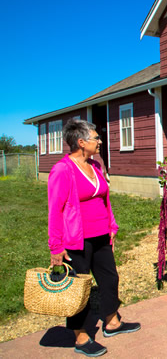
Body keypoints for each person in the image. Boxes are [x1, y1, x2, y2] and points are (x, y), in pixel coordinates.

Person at [48, 119, 140, 357]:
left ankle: (112, 322)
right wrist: (56, 246)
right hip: (77, 239)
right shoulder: (63, 170)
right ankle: (80, 336)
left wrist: (112, 226)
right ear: (81, 142)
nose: (100, 141)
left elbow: (104, 200)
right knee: (80, 287)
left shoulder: (96, 165)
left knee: (110, 279)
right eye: (96, 138)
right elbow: (55, 210)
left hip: (101, 235)